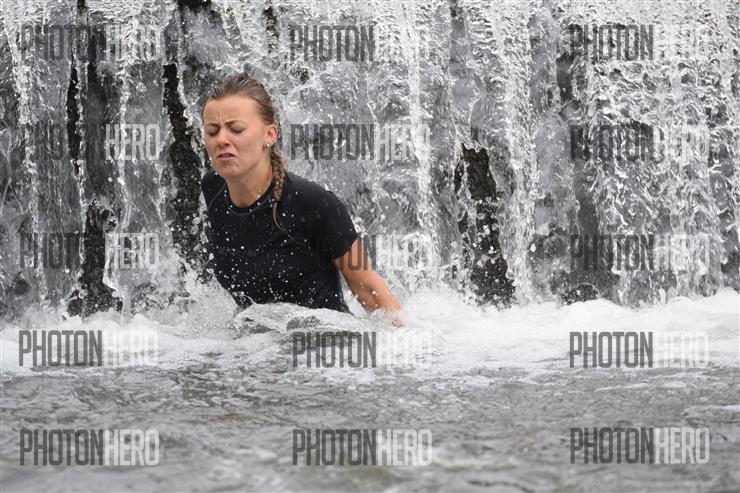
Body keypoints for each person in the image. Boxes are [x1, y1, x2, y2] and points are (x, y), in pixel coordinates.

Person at [200, 73, 404, 326]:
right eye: (212, 131)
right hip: (251, 345)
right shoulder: (213, 189)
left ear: (270, 134)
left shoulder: (317, 205)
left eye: (236, 129)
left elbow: (371, 292)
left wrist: (408, 343)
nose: (221, 140)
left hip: (323, 343)